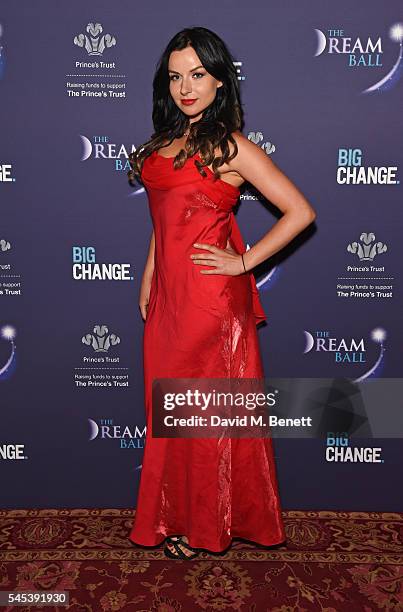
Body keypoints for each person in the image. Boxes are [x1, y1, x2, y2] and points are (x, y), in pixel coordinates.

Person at [127, 26, 316, 560]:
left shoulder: (229, 145)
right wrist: (149, 274)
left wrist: (244, 260)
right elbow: (167, 221)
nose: (186, 87)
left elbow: (300, 211)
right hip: (168, 296)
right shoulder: (164, 143)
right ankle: (174, 514)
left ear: (219, 83)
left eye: (198, 75)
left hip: (210, 302)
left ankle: (206, 528)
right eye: (176, 76)